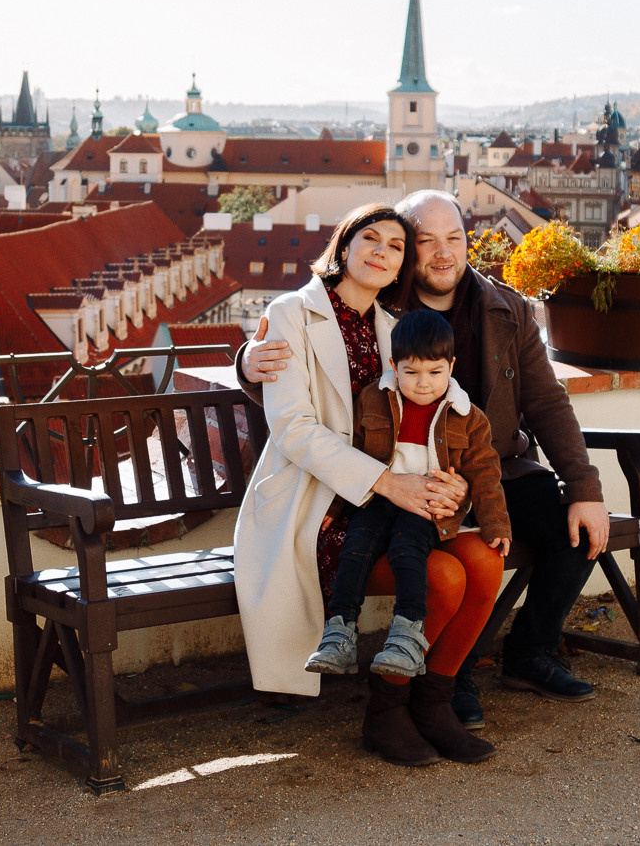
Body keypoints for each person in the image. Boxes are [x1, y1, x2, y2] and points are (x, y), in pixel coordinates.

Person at [243, 188, 610, 729]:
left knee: (575, 529)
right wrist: (247, 362)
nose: (442, 253)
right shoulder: (388, 306)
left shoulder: (505, 308)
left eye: (455, 238)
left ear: (469, 242)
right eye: (425, 240)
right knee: (456, 566)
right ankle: (447, 680)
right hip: (410, 476)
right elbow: (327, 391)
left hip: (493, 469)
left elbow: (547, 400)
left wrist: (584, 487)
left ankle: (529, 653)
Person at [230, 204, 502, 768]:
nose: (382, 251)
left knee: (486, 562)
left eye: (396, 245)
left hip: (396, 493)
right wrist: (390, 484)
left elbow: (431, 420)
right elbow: (293, 429)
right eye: (369, 238)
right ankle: (385, 711)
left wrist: (451, 487)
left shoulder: (392, 327)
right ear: (344, 247)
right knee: (446, 576)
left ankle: (434, 703)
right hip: (319, 504)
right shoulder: (290, 314)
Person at [308, 308, 512, 681]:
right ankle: (339, 634)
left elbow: (485, 473)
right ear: (393, 365)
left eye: (435, 373)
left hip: (424, 509)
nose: (423, 384)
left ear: (451, 366)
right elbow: (351, 454)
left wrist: (496, 523)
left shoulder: (468, 416)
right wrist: (335, 506)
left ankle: (406, 637)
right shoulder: (373, 399)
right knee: (356, 547)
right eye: (411, 372)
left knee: (407, 552)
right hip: (376, 499)